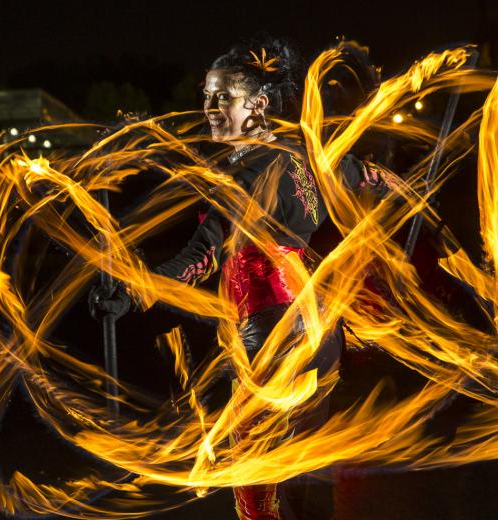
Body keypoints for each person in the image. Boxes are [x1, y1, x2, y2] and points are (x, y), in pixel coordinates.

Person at [90, 36, 393, 520]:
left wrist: (135, 291)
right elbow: (366, 177)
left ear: (257, 104)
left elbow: (202, 254)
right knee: (304, 456)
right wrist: (403, 189)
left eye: (222, 98)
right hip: (319, 327)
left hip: (271, 329)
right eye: (206, 95)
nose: (209, 107)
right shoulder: (307, 155)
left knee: (254, 461)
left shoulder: (242, 175)